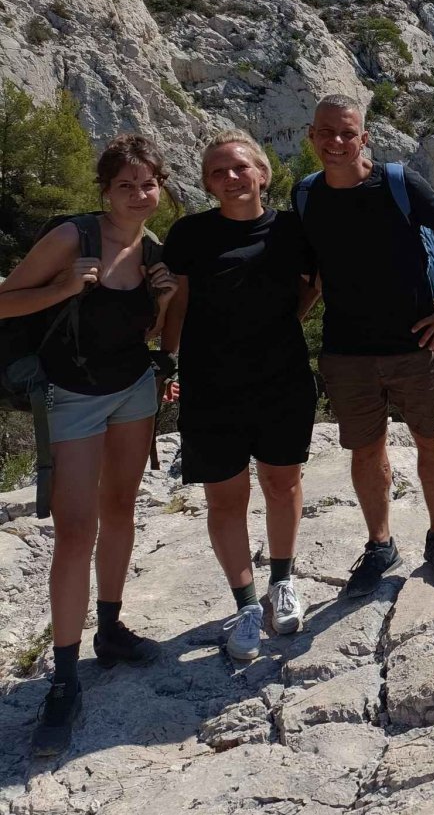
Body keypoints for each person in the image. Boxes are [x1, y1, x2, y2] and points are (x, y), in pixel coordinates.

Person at [0, 134, 178, 756]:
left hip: (133, 390)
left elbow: (147, 330)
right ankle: (64, 674)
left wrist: (162, 302)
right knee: (76, 530)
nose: (139, 193)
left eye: (149, 183)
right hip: (73, 396)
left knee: (121, 509)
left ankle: (110, 628)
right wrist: (61, 288)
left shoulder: (152, 250)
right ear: (105, 189)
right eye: (126, 184)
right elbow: (3, 300)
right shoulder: (72, 238)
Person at [298, 94, 434, 595]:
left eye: (347, 133)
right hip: (346, 350)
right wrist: (288, 326)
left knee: (432, 439)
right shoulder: (306, 195)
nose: (336, 142)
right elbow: (312, 276)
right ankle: (380, 544)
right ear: (311, 136)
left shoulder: (399, 183)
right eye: (326, 132)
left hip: (417, 343)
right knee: (364, 450)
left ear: (364, 138)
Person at [161, 130, 319, 662]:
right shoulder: (189, 234)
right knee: (225, 498)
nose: (230, 178)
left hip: (281, 379)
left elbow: (311, 285)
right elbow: (177, 303)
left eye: (239, 168)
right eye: (218, 172)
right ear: (208, 182)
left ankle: (282, 583)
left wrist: (284, 324)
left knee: (282, 481)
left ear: (261, 173)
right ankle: (247, 604)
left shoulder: (292, 229)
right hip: (211, 385)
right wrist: (168, 361)